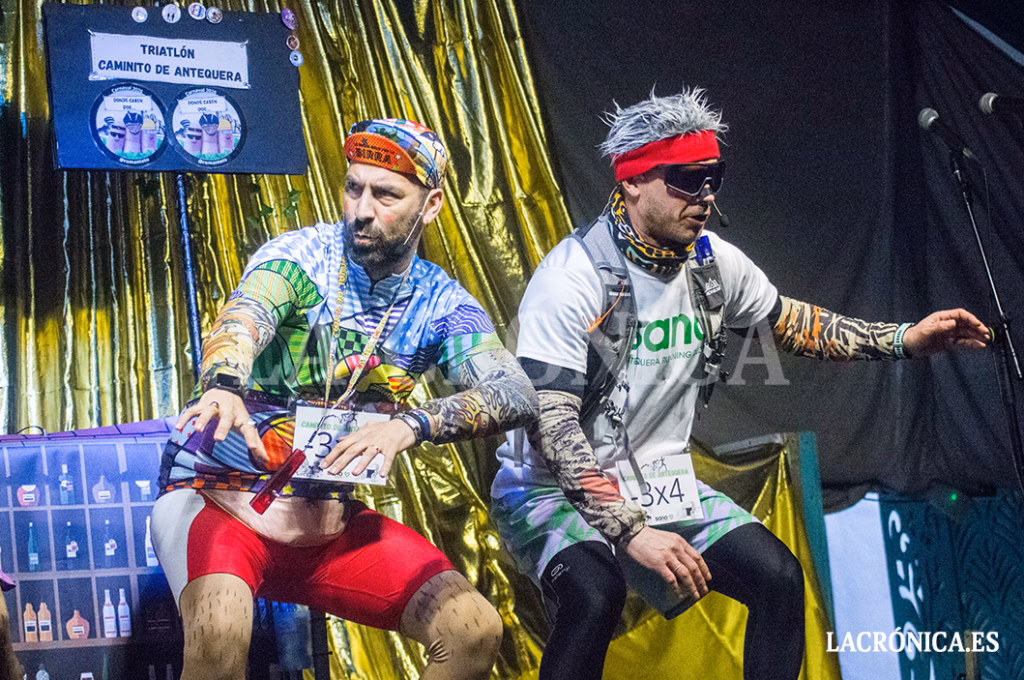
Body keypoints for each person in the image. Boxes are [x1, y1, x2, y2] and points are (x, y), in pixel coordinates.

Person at [489, 89, 990, 680]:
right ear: (634, 181)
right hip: (550, 488)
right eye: (686, 179)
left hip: (654, 481)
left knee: (778, 578)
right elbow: (550, 425)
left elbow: (794, 325)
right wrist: (631, 531)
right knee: (594, 595)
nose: (705, 195)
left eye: (714, 177)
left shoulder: (710, 261)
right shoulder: (572, 277)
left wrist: (904, 338)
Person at [152, 118, 537, 680]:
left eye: (386, 195)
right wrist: (224, 382)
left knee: (473, 631)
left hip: (326, 528)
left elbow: (515, 391)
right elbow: (246, 316)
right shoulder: (300, 257)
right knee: (220, 638)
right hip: (219, 505)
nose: (362, 210)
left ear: (431, 205)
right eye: (353, 188)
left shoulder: (439, 302)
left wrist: (411, 425)